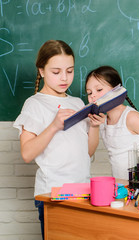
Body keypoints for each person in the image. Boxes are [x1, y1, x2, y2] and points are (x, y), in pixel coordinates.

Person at [13, 40, 103, 239]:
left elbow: (87, 152)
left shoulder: (77, 102)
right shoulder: (34, 104)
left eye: (70, 71)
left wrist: (95, 127)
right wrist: (54, 126)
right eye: (56, 72)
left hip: (83, 191)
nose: (64, 78)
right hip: (54, 194)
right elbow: (27, 154)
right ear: (42, 71)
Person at [85, 66, 139, 180]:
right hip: (123, 186)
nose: (93, 96)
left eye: (99, 90)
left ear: (116, 89)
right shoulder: (104, 122)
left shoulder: (130, 117)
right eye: (89, 92)